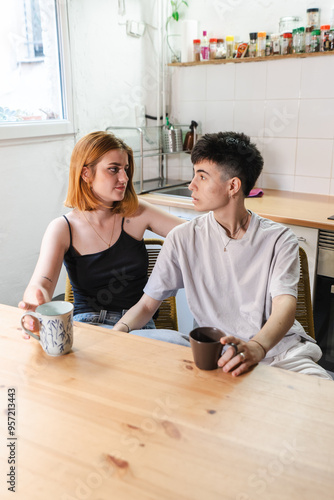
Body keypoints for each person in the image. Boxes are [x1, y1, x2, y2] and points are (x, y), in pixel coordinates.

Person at [113, 131, 332, 380]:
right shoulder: (183, 238)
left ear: (233, 186)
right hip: (219, 355)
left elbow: (286, 305)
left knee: (322, 403)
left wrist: (257, 347)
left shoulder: (279, 239)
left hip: (282, 354)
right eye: (194, 174)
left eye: (202, 176)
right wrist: (115, 334)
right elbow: (146, 305)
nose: (191, 185)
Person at [19, 131, 186, 338]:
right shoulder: (63, 228)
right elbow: (41, 284)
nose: (124, 178)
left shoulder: (137, 212)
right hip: (87, 329)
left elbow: (195, 235)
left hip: (138, 330)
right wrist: (34, 304)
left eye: (125, 169)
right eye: (113, 169)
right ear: (86, 174)